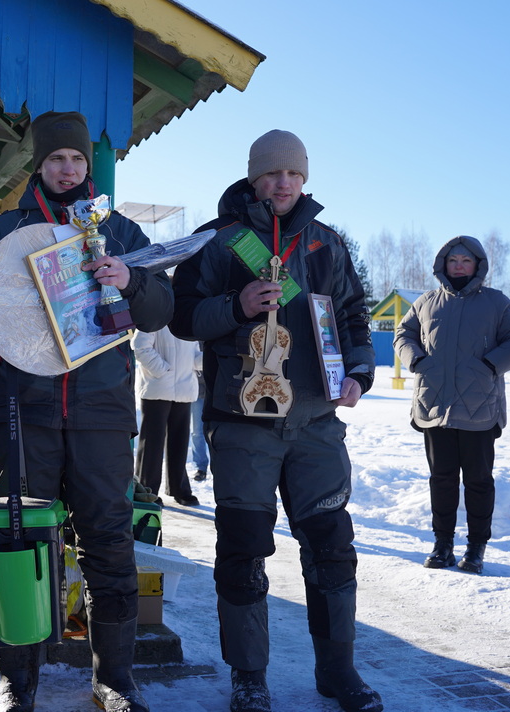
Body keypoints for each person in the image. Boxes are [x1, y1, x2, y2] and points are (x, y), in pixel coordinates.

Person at [0, 111, 173, 712]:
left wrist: (131, 279)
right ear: (39, 165)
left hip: (101, 412)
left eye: (77, 159)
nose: (67, 169)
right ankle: (17, 681)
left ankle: (114, 680)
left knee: (109, 542)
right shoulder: (5, 231)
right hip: (24, 412)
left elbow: (161, 310)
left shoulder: (120, 232)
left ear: (88, 165)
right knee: (19, 540)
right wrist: (5, 306)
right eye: (56, 159)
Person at [171, 129, 382, 712]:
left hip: (316, 422)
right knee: (242, 551)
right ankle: (249, 676)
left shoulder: (325, 243)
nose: (283, 183)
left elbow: (353, 315)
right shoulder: (219, 241)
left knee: (332, 547)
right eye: (271, 173)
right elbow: (181, 317)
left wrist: (359, 370)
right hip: (243, 423)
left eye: (293, 173)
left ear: (304, 178)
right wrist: (235, 307)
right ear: (254, 177)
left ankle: (338, 670)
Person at [393, 236, 510, 575]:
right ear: (443, 264)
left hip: (479, 406)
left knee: (478, 481)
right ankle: (442, 545)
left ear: (477, 265)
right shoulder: (426, 302)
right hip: (434, 404)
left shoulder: (496, 303)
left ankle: (476, 547)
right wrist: (417, 361)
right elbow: (403, 334)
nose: (458, 266)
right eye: (453, 260)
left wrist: (490, 365)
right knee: (441, 479)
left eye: (465, 261)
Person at [132, 324, 199, 506]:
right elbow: (139, 346)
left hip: (184, 387)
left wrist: (203, 360)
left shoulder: (187, 317)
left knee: (180, 442)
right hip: (157, 387)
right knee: (152, 443)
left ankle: (180, 489)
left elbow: (194, 353)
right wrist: (162, 370)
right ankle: (147, 490)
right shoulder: (154, 316)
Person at [190, 344, 210, 482]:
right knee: (197, 432)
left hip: (214, 389)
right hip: (195, 390)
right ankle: (201, 467)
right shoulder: (192, 339)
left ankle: (220, 465)